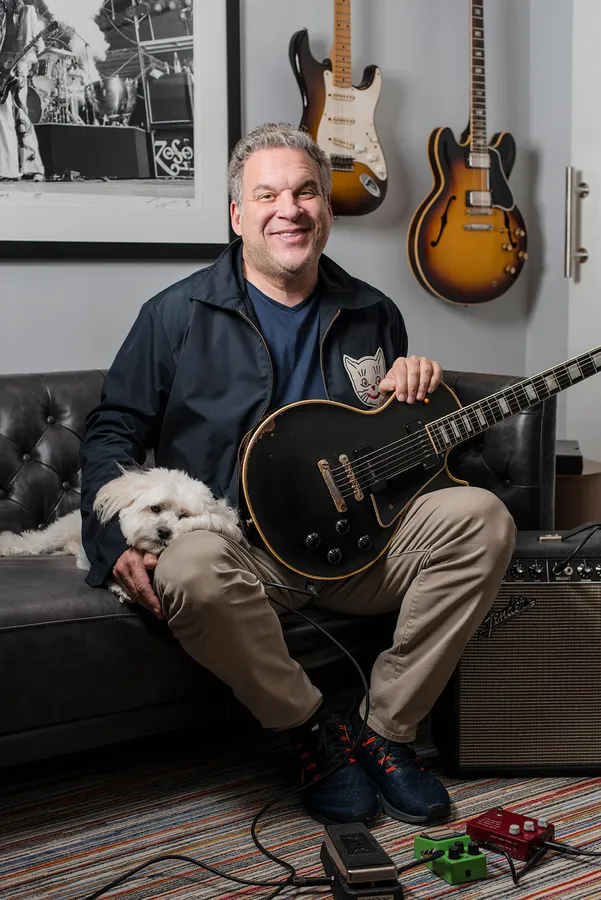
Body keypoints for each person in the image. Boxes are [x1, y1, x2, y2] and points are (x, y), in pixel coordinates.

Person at [80, 122, 516, 827]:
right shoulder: (173, 316)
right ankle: (313, 731)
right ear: (237, 215)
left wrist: (416, 390)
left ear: (327, 209)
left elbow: (388, 448)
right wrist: (111, 543)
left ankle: (384, 730)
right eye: (268, 195)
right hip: (239, 553)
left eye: (306, 192)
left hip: (355, 548)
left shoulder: (372, 312)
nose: (290, 209)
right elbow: (112, 432)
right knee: (190, 566)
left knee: (482, 519)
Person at [0, 0, 49, 181]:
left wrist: (33, 49)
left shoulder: (26, 11)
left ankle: (30, 168)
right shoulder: (3, 12)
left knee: (21, 116)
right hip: (2, 69)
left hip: (17, 69)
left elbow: (40, 46)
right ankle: (10, 169)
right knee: (5, 117)